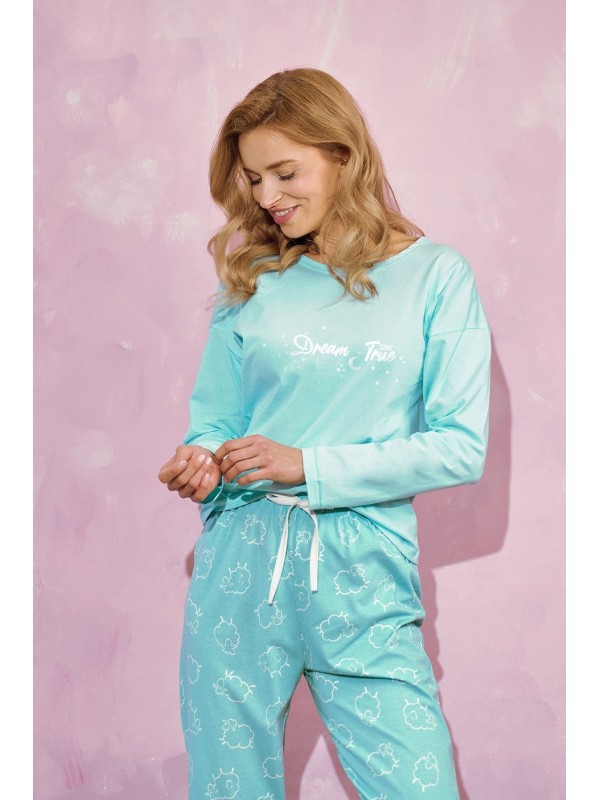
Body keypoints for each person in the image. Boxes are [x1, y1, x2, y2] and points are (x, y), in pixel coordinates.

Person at [158, 67, 491, 800]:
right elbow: (216, 420)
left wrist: (306, 465)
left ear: (343, 155)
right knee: (229, 788)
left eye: (286, 173)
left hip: (364, 569)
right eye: (253, 179)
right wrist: (201, 460)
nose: (267, 197)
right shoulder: (253, 278)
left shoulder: (437, 276)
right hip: (240, 563)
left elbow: (460, 446)